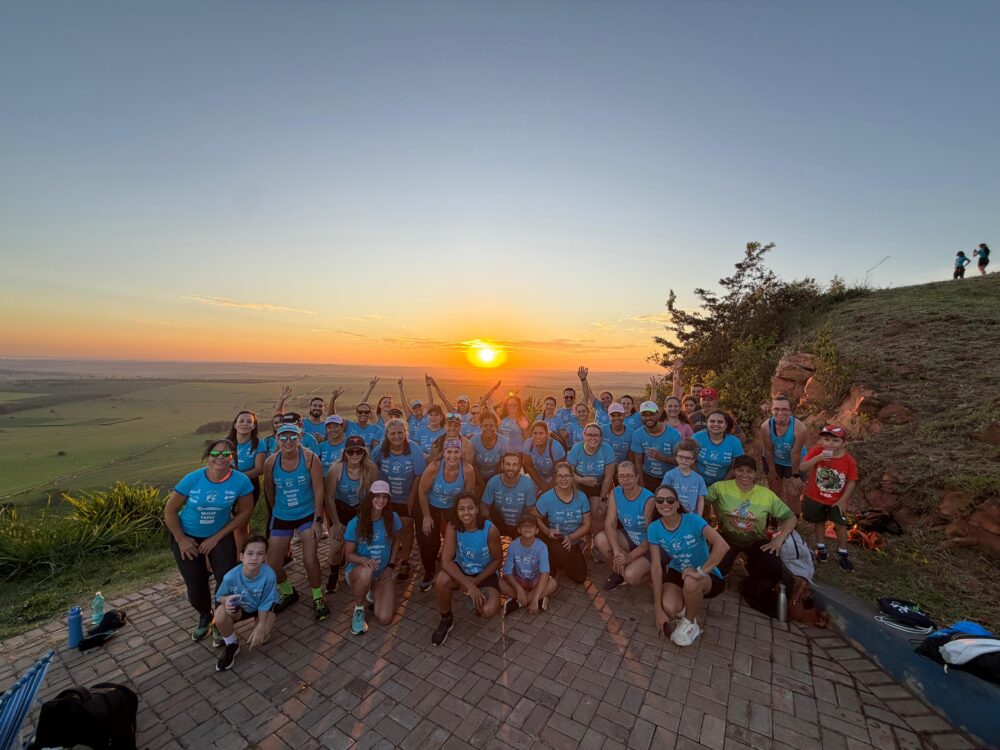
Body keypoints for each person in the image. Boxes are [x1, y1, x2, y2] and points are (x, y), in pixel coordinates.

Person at [164, 439, 254, 640]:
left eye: (225, 454)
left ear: (232, 457)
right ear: (208, 457)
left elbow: (246, 510)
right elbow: (170, 511)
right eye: (215, 454)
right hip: (187, 536)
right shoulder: (192, 479)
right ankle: (205, 615)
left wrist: (217, 537)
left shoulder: (241, 481)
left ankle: (220, 622)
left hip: (220, 535)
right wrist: (181, 539)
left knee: (225, 581)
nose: (220, 458)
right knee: (196, 586)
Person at [648, 485, 729, 647]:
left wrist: (700, 572)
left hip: (708, 574)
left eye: (670, 500)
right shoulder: (654, 528)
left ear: (678, 503)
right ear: (656, 504)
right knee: (670, 608)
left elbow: (722, 546)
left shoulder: (693, 520)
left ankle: (691, 622)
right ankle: (690, 603)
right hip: (678, 570)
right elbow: (656, 568)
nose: (665, 503)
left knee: (691, 582)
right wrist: (657, 608)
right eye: (660, 500)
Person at [262, 425, 330, 620]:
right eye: (283, 437)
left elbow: (319, 490)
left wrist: (318, 520)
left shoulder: (309, 459)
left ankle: (317, 597)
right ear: (277, 439)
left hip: (307, 514)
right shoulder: (270, 463)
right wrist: (278, 510)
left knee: (310, 559)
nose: (288, 441)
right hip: (282, 515)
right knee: (273, 564)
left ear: (300, 437)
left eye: (293, 437)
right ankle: (288, 591)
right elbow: (269, 490)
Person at [706, 456, 797, 585]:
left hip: (756, 540)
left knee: (774, 568)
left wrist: (779, 539)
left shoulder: (766, 495)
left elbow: (791, 518)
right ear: (734, 471)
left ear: (755, 473)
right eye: (740, 470)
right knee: (714, 572)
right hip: (726, 539)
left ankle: (751, 569)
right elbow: (700, 500)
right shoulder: (719, 488)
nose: (744, 475)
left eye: (749, 471)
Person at [431, 493, 502, 646]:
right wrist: (468, 584)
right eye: (461, 509)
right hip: (462, 570)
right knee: (441, 579)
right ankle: (446, 619)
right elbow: (446, 561)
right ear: (456, 511)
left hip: (484, 573)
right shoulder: (453, 526)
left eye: (470, 508)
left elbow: (497, 561)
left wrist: (474, 583)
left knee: (488, 611)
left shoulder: (490, 530)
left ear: (477, 509)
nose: (466, 512)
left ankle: (477, 598)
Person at [416, 439, 476, 591]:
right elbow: (422, 492)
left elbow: (469, 495)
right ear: (443, 453)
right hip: (431, 504)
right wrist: (426, 516)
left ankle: (458, 567)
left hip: (453, 507)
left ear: (461, 453)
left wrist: (467, 517)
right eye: (449, 452)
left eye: (456, 452)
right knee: (429, 538)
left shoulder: (467, 470)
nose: (452, 456)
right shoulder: (434, 468)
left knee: (460, 535)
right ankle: (429, 571)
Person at [343, 480, 402, 635]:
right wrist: (363, 560)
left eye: (384, 496)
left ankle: (372, 590)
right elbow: (348, 554)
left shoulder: (392, 517)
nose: (380, 500)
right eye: (377, 496)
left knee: (384, 618)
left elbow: (396, 541)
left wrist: (391, 566)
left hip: (382, 572)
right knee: (366, 573)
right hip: (358, 571)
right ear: (370, 497)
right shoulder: (356, 522)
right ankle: (358, 609)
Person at [212, 535, 279, 671]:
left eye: (260, 554)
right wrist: (227, 600)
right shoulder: (230, 577)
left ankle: (260, 624)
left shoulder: (270, 575)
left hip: (262, 606)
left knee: (263, 635)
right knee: (220, 614)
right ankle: (232, 644)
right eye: (250, 553)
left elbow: (266, 602)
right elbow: (219, 596)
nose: (254, 558)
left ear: (266, 557)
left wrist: (260, 624)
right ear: (242, 556)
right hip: (242, 607)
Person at [371, 418, 426, 581]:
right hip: (386, 498)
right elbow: (372, 470)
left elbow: (418, 475)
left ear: (405, 433)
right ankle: (390, 558)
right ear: (387, 434)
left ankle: (405, 560)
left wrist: (410, 498)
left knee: (407, 527)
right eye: (393, 433)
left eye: (400, 432)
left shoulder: (414, 449)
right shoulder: (380, 450)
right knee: (388, 529)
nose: (397, 436)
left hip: (406, 496)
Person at [323, 435, 378, 591]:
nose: (354, 455)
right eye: (350, 452)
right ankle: (334, 573)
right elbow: (330, 498)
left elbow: (374, 495)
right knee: (336, 546)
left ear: (364, 453)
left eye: (358, 452)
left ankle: (365, 571)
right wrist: (336, 522)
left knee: (367, 543)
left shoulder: (371, 469)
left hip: (361, 510)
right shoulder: (336, 470)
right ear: (345, 453)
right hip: (341, 510)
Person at [800, 425, 858, 571]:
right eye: (826, 439)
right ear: (821, 440)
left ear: (843, 443)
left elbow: (851, 481)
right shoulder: (817, 451)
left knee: (840, 524)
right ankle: (821, 549)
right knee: (818, 521)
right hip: (815, 496)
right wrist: (819, 457)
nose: (830, 443)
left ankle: (842, 553)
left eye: (835, 440)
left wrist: (843, 500)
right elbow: (803, 468)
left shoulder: (848, 460)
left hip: (836, 499)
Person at [596, 461, 654, 590]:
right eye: (622, 476)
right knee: (601, 539)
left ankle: (655, 575)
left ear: (637, 477)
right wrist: (617, 551)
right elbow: (609, 523)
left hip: (648, 545)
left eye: (629, 476)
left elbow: (651, 538)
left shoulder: (649, 499)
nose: (625, 480)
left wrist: (629, 558)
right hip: (630, 538)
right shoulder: (615, 493)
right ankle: (618, 572)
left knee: (631, 576)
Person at [532, 462, 592, 584]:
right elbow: (534, 516)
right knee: (558, 553)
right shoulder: (547, 497)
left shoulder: (581, 497)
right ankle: (552, 561)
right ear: (555, 478)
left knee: (580, 577)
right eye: (560, 476)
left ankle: (562, 562)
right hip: (555, 538)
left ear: (572, 477)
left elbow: (587, 524)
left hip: (572, 539)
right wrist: (547, 531)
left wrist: (570, 537)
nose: (563, 479)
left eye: (566, 476)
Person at [567, 422, 616, 543]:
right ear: (584, 435)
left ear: (600, 437)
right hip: (579, 484)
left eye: (596, 435)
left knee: (598, 511)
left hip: (598, 485)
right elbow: (568, 473)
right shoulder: (577, 449)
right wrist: (581, 479)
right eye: (589, 435)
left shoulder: (607, 449)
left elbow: (608, 477)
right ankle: (580, 540)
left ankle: (595, 542)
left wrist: (603, 499)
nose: (593, 438)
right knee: (578, 512)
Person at [757, 395, 807, 513]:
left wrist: (795, 476)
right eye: (776, 409)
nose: (780, 412)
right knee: (775, 492)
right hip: (774, 460)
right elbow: (768, 450)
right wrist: (772, 471)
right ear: (771, 410)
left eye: (784, 409)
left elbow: (795, 454)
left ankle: (792, 527)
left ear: (791, 411)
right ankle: (776, 521)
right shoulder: (766, 427)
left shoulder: (799, 429)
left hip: (794, 462)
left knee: (793, 495)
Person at [500, 514, 557, 616]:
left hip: (535, 580)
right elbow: (507, 572)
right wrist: (518, 589)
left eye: (531, 526)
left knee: (553, 583)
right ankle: (539, 598)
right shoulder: (513, 546)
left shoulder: (542, 547)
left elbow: (545, 572)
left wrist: (534, 599)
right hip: (519, 580)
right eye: (524, 526)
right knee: (500, 583)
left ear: (536, 530)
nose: (527, 528)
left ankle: (518, 603)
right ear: (518, 529)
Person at [227, 411, 265, 549]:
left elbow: (259, 469)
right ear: (235, 424)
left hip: (248, 488)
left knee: (240, 525)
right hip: (226, 487)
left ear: (254, 426)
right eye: (241, 421)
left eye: (249, 422)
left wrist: (237, 478)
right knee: (231, 525)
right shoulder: (226, 444)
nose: (245, 424)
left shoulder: (259, 444)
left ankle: (240, 559)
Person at [482, 452, 538, 538]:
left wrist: (522, 529)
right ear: (502, 465)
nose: (511, 468)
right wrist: (491, 526)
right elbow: (484, 506)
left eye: (515, 465)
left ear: (520, 467)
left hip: (520, 525)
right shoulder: (493, 481)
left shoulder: (528, 484)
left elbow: (530, 511)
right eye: (508, 464)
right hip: (500, 523)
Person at [630, 401, 681, 491]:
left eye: (651, 414)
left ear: (658, 414)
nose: (648, 418)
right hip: (648, 477)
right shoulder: (637, 434)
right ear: (641, 416)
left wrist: (661, 457)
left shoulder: (674, 434)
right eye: (644, 415)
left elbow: (680, 460)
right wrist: (641, 486)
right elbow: (638, 462)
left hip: (670, 477)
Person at [692, 410, 745, 486]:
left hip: (724, 483)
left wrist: (721, 485)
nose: (716, 424)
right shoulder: (697, 437)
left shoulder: (734, 442)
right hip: (696, 480)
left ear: (726, 425)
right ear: (707, 423)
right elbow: (689, 460)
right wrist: (699, 481)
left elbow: (736, 467)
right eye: (712, 421)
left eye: (720, 422)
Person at [659, 439, 708, 515]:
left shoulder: (699, 479)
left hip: (691, 516)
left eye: (688, 458)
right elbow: (663, 495)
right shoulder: (669, 475)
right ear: (676, 457)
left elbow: (700, 500)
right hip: (673, 514)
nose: (684, 460)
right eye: (681, 457)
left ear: (693, 460)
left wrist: (699, 517)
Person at [522, 421, 567, 492]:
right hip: (537, 474)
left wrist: (549, 486)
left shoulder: (555, 447)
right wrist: (541, 484)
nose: (537, 436)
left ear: (547, 434)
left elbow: (560, 470)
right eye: (535, 433)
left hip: (553, 476)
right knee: (528, 492)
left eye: (541, 433)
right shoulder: (528, 443)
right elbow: (529, 466)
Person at [471, 411, 506, 489]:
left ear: (496, 426)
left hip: (497, 477)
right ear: (480, 426)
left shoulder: (503, 441)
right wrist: (482, 484)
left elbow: (501, 464)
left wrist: (492, 483)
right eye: (485, 425)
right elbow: (473, 466)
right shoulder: (473, 441)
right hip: (478, 478)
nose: (488, 428)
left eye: (491, 425)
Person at [578, 365, 613, 430]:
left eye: (607, 398)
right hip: (596, 434)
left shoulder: (615, 410)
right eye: (603, 399)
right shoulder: (598, 405)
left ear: (612, 398)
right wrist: (583, 379)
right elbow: (589, 392)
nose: (605, 400)